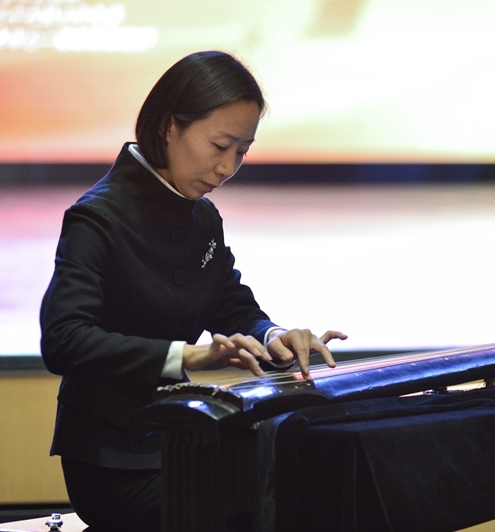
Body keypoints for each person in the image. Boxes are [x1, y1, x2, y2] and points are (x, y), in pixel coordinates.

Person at [39, 50, 346, 531]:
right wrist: (188, 356)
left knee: (320, 480)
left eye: (242, 152)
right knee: (270, 505)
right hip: (114, 461)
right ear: (169, 126)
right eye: (220, 145)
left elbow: (231, 305)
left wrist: (274, 338)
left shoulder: (202, 215)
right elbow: (64, 339)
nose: (227, 167)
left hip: (184, 441)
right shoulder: (97, 217)